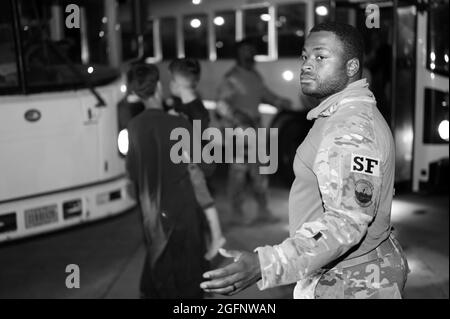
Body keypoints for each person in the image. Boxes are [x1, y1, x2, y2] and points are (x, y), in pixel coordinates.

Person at [200, 22, 409, 299]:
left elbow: (346, 222)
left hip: (352, 281)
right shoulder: (340, 115)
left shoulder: (350, 129)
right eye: (305, 56)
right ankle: (241, 209)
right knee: (242, 174)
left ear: (351, 67)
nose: (307, 65)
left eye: (320, 57)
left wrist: (268, 264)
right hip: (343, 271)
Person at [125, 63, 209, 298]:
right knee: (190, 274)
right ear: (159, 87)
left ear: (135, 93)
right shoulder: (177, 123)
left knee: (161, 269)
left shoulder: (133, 126)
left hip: (153, 213)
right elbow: (205, 166)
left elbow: (132, 175)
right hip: (183, 211)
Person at [216, 39, 292, 224]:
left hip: (255, 130)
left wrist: (280, 101)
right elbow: (221, 104)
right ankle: (236, 212)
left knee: (259, 171)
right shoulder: (231, 78)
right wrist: (236, 116)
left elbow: (265, 94)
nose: (250, 54)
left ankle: (263, 210)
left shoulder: (255, 76)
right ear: (238, 55)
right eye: (246, 51)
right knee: (239, 173)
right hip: (239, 132)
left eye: (252, 50)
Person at [167, 58, 226, 260]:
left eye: (171, 80)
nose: (169, 85)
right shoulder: (184, 105)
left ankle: (217, 237)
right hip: (190, 163)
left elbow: (199, 141)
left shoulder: (196, 111)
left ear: (178, 83)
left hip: (196, 164)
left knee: (203, 201)